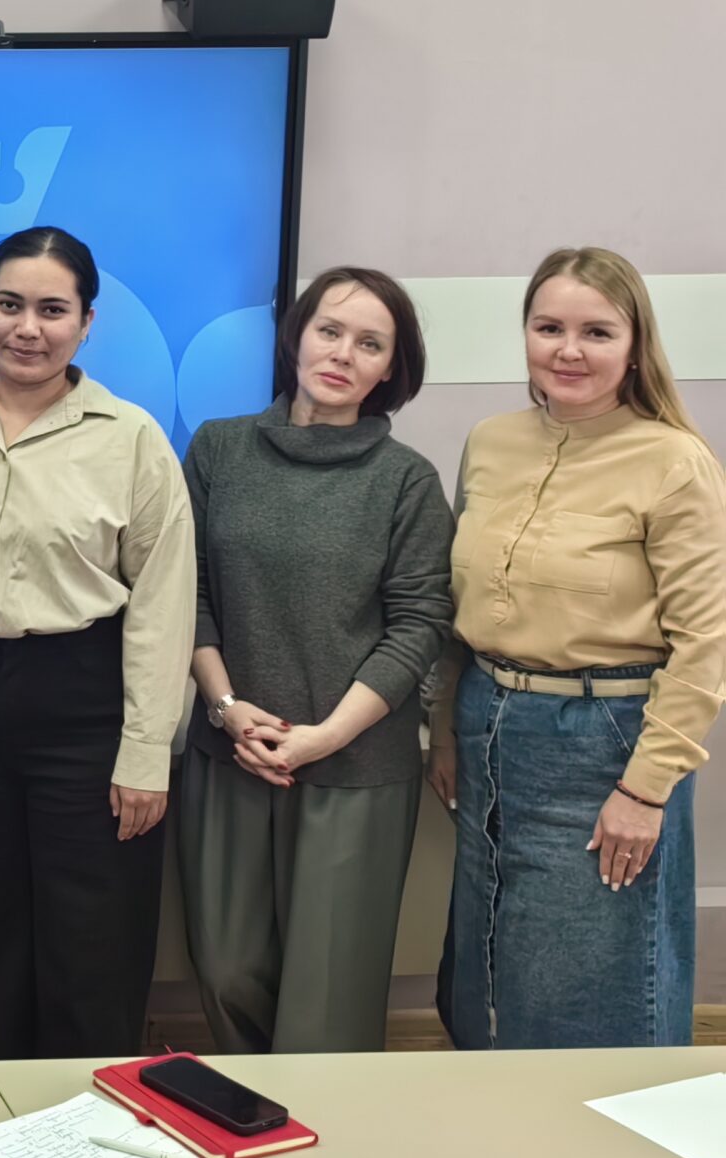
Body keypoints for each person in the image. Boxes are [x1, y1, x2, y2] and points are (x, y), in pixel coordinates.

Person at [0, 226, 193, 1062]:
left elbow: (164, 603)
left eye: (53, 310)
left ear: (86, 322)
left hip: (85, 700)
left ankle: (87, 1113)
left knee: (92, 937)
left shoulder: (131, 438)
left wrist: (146, 750)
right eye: (9, 305)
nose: (28, 328)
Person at [431, 247, 726, 1049]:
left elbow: (706, 643)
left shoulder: (674, 461)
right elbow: (460, 604)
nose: (568, 350)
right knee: (489, 966)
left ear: (635, 346)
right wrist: (447, 727)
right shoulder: (490, 441)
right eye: (548, 327)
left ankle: (599, 1120)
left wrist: (647, 790)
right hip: (488, 723)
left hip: (606, 744)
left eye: (596, 332)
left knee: (596, 978)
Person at [177, 267, 455, 1054]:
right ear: (296, 335)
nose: (342, 354)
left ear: (391, 369)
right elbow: (187, 591)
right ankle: (248, 1120)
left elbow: (419, 626)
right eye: (330, 330)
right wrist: (227, 709)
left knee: (324, 1002)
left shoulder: (405, 481)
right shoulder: (219, 448)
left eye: (370, 344)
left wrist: (324, 737)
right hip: (232, 752)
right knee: (226, 973)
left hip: (354, 766)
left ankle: (322, 1128)